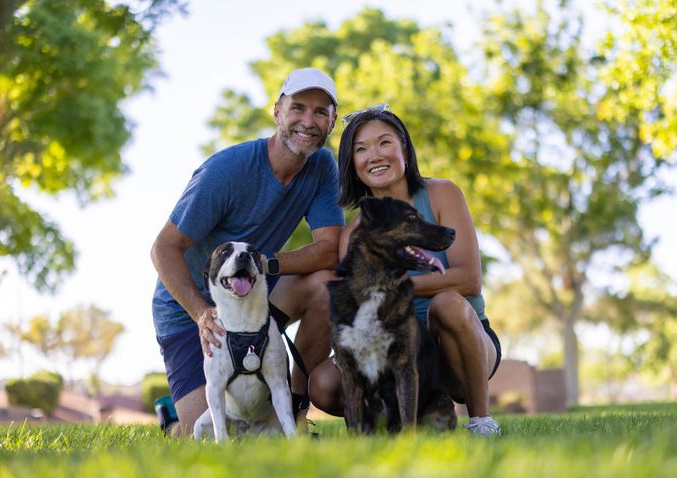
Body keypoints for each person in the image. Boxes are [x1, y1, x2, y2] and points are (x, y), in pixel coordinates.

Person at [150, 68, 344, 437]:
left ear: (333, 121)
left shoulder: (321, 168)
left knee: (326, 284)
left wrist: (265, 265)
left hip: (253, 296)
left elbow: (329, 251)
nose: (308, 121)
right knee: (207, 432)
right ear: (277, 111)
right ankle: (172, 415)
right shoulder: (226, 171)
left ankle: (295, 411)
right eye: (298, 107)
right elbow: (163, 248)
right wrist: (200, 312)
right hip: (187, 310)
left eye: (321, 112)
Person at [308, 105, 503, 436]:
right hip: (396, 350)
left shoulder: (441, 194)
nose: (374, 155)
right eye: (361, 149)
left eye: (384, 142)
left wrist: (389, 289)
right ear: (351, 165)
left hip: (457, 342)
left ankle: (481, 421)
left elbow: (469, 279)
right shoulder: (352, 234)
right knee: (324, 384)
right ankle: (393, 425)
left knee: (447, 303)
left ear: (404, 149)